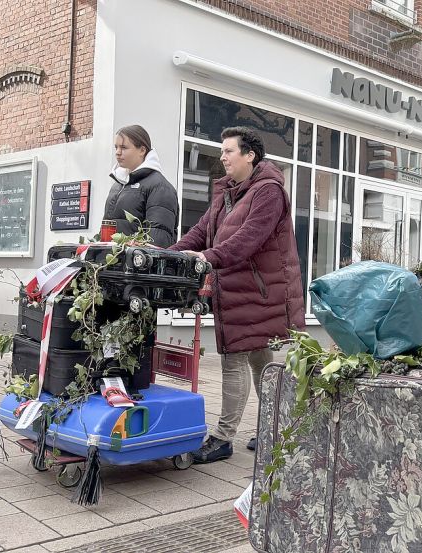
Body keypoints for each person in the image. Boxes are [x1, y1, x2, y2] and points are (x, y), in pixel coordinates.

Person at [169, 126, 306, 463]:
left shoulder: (269, 192)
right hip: (238, 291)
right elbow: (200, 231)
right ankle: (275, 427)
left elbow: (247, 240)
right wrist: (167, 255)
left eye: (229, 151)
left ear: (250, 155)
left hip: (258, 292)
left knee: (234, 360)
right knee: (260, 360)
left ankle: (222, 437)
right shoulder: (228, 193)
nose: (222, 157)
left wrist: (207, 257)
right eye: (222, 151)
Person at [104, 125, 180, 247]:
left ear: (142, 150)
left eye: (124, 147)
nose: (118, 152)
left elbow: (157, 242)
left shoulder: (160, 187)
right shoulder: (117, 185)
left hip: (136, 259)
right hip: (112, 259)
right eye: (116, 147)